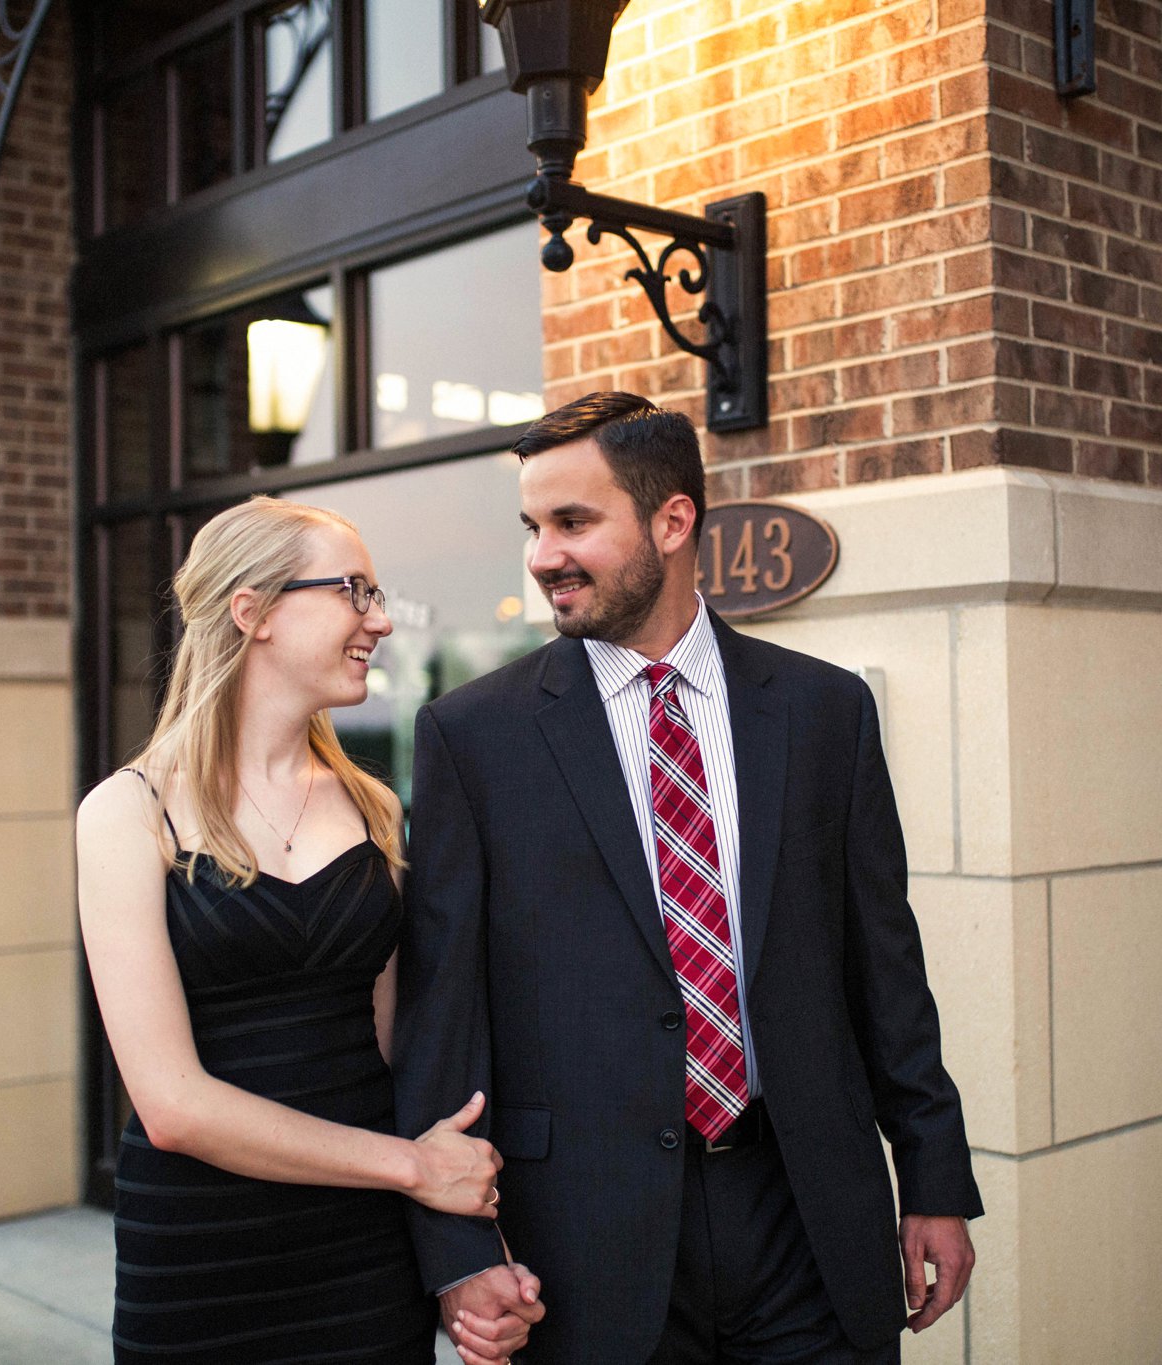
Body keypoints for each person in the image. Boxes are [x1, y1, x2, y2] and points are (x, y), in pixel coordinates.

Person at [393, 392, 984, 1365]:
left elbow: (883, 964)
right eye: (532, 527)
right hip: (582, 1242)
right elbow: (442, 1019)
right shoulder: (472, 737)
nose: (543, 555)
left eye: (574, 522)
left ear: (672, 521)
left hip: (804, 1215)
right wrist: (458, 1251)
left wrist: (931, 1175)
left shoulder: (820, 711)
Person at [76, 496, 533, 1364]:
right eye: (355, 592)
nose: (383, 620)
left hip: (362, 1257)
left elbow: (403, 1055)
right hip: (204, 1256)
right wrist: (410, 1167)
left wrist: (469, 1259)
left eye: (379, 594)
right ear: (253, 613)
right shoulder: (127, 813)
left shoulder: (375, 806)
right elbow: (172, 1106)